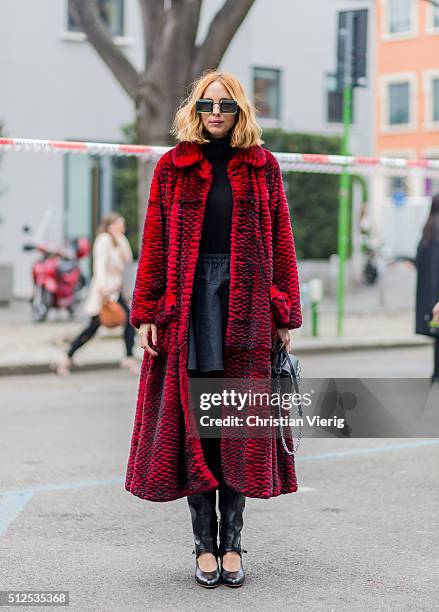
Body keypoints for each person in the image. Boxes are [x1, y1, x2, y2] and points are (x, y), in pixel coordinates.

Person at [125, 70, 302, 588]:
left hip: (247, 303)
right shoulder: (171, 168)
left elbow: (282, 240)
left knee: (239, 427)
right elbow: (155, 241)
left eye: (225, 105)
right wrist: (147, 312)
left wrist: (284, 311)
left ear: (241, 110)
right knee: (196, 421)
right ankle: (204, 541)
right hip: (190, 304)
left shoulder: (264, 168)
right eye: (207, 105)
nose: (216, 113)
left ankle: (233, 543)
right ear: (195, 111)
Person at [56, 213, 138, 376]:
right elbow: (99, 266)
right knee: (91, 329)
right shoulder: (104, 241)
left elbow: (128, 258)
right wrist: (102, 289)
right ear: (110, 225)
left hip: (115, 291)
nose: (123, 227)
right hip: (104, 292)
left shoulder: (117, 241)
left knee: (128, 321)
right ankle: (66, 357)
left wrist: (121, 238)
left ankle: (128, 357)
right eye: (120, 224)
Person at [415, 194, 439, 384]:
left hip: (430, 294)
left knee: (437, 336)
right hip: (436, 292)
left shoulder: (428, 228)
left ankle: (436, 372)